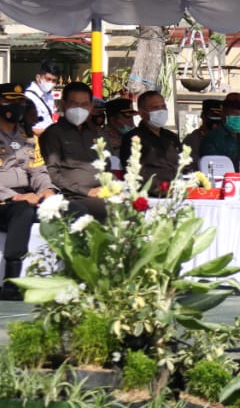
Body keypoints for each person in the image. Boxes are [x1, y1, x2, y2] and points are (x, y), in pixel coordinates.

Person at [0, 84, 81, 299]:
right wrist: (14, 196)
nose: (15, 106)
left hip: (28, 196)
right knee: (22, 212)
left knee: (75, 210)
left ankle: (76, 273)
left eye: (19, 102)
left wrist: (47, 190)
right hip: (6, 201)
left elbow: (38, 170)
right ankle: (11, 280)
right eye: (9, 101)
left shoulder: (27, 137)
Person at [38, 81, 108, 220]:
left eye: (84, 104)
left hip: (102, 192)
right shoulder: (54, 134)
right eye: (74, 104)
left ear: (91, 107)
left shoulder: (93, 134)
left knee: (135, 204)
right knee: (113, 210)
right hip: (74, 196)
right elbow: (52, 173)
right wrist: (87, 191)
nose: (79, 109)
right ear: (63, 104)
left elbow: (106, 166)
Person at [121, 90, 182, 195]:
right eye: (155, 108)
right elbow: (134, 172)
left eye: (163, 107)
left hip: (178, 192)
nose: (161, 111)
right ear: (141, 112)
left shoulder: (171, 137)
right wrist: (162, 188)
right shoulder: (132, 138)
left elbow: (183, 164)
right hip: (151, 195)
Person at [198, 92, 240, 179]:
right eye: (234, 113)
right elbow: (213, 173)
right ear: (223, 114)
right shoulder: (212, 140)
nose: (238, 118)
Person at [23, 60, 60, 136]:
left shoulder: (49, 95)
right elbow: (28, 127)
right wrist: (53, 132)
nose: (51, 83)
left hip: (50, 137)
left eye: (54, 80)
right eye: (48, 79)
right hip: (36, 139)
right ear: (38, 77)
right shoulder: (28, 97)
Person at [182, 99, 223, 167]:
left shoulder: (227, 139)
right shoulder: (191, 140)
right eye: (212, 115)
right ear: (202, 116)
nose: (216, 120)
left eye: (219, 117)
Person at [102, 98, 138, 167]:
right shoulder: (101, 139)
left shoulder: (135, 136)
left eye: (132, 118)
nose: (132, 122)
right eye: (128, 118)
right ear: (112, 120)